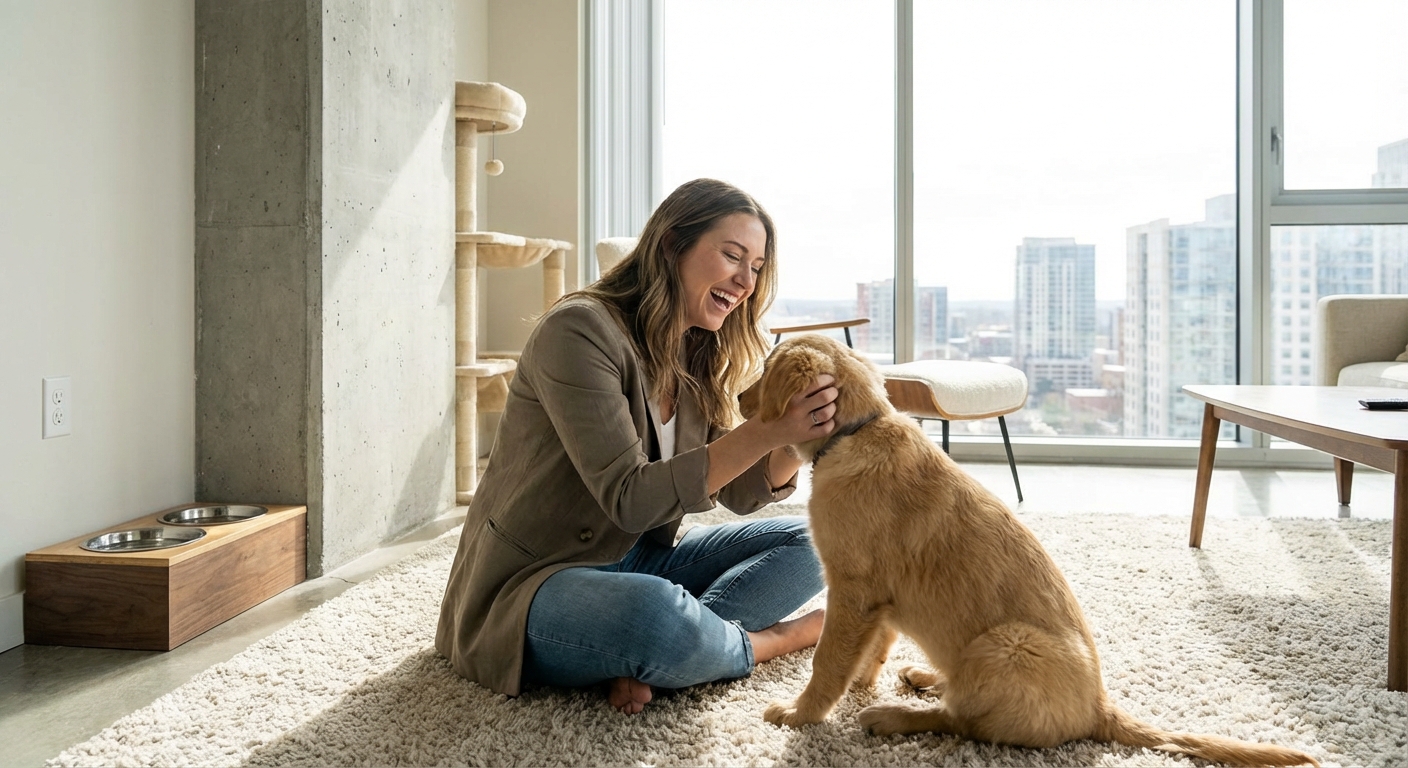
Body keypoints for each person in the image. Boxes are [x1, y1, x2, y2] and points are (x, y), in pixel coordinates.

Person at [436, 178, 838, 714]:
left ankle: (657, 653)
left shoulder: (695, 351)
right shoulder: (578, 331)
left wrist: (793, 439)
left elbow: (740, 493)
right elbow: (629, 498)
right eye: (733, 256)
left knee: (819, 537)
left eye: (758, 267)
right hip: (534, 583)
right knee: (652, 616)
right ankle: (764, 642)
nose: (745, 281)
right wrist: (765, 430)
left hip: (638, 558)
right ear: (672, 245)